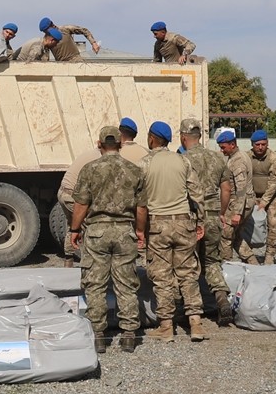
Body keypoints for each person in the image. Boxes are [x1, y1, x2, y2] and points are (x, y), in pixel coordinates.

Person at [70, 125, 146, 353]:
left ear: (100, 144)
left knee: (95, 284)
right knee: (126, 284)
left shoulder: (90, 169)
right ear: (121, 144)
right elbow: (141, 207)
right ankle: (129, 335)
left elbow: (81, 203)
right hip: (125, 231)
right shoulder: (134, 170)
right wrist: (140, 231)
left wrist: (75, 229)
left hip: (97, 232)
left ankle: (99, 336)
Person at [139, 121, 206, 342]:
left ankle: (166, 327)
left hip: (158, 225)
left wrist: (140, 229)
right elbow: (196, 193)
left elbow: (139, 200)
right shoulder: (182, 160)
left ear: (152, 138)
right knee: (188, 273)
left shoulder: (145, 163)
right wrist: (200, 221)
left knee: (162, 276)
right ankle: (195, 323)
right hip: (184, 222)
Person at [178, 118, 234, 327]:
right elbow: (226, 189)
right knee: (212, 261)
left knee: (189, 263)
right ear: (200, 136)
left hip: (191, 215)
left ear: (184, 137)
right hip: (212, 214)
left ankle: (191, 310)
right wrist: (220, 212)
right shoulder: (217, 158)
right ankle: (221, 299)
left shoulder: (182, 160)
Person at [57, 142, 102, 268]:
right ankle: (90, 265)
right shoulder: (98, 158)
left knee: (73, 226)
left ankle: (68, 261)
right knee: (90, 227)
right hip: (73, 196)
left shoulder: (90, 153)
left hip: (63, 192)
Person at [243, 130, 276, 265]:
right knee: (246, 225)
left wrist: (264, 201)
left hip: (272, 196)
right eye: (257, 145)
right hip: (252, 195)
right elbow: (244, 179)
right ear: (252, 144)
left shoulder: (274, 158)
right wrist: (252, 197)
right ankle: (249, 255)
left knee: (274, 225)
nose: (260, 147)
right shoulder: (246, 157)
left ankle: (269, 256)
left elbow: (274, 182)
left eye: (263, 144)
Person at [217, 130, 252, 263]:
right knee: (237, 238)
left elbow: (241, 188)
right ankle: (254, 265)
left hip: (239, 204)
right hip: (244, 203)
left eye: (223, 147)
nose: (222, 151)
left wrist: (237, 213)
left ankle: (227, 268)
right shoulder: (240, 155)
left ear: (232, 144)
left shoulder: (237, 161)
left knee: (225, 236)